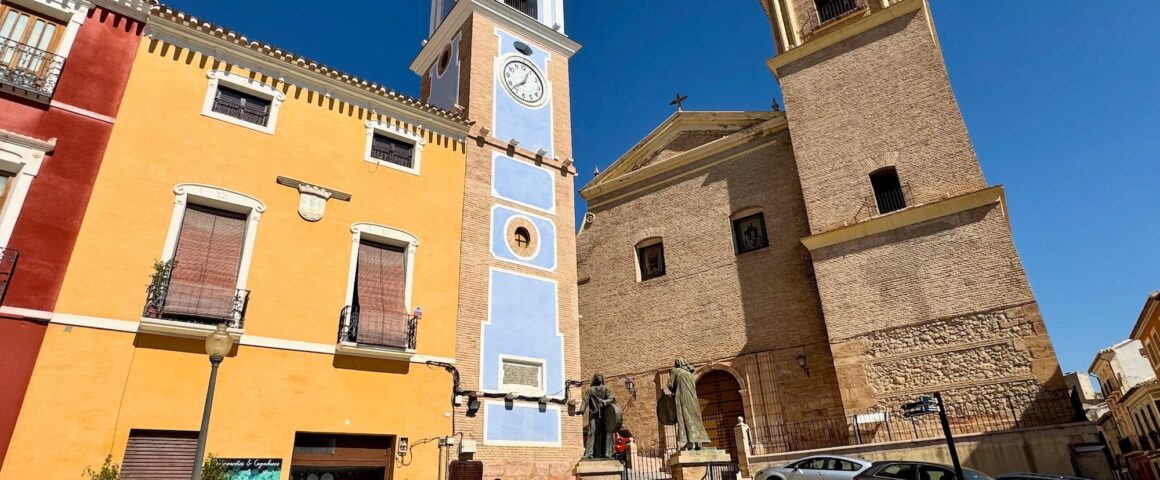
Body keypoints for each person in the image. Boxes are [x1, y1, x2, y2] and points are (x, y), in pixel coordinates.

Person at [668, 358, 710, 450]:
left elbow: (670, 385)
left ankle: (690, 443)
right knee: (696, 419)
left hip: (682, 398)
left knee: (684, 419)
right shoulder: (690, 373)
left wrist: (674, 390)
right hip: (693, 399)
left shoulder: (675, 371)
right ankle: (699, 443)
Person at [580, 373, 617, 459]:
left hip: (605, 415)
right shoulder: (590, 390)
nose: (599, 377)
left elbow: (611, 398)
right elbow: (585, 400)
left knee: (607, 433)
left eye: (600, 376)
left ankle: (608, 453)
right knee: (591, 432)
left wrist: (604, 401)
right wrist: (582, 410)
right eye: (597, 376)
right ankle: (589, 454)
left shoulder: (606, 389)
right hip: (594, 415)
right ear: (594, 379)